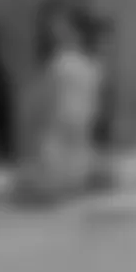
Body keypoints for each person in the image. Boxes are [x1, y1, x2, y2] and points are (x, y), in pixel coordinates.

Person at [41, 12, 104, 195]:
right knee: (67, 166)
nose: (58, 33)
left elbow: (51, 97)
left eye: (64, 29)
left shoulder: (66, 63)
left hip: (72, 122)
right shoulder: (85, 65)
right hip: (72, 122)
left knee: (68, 167)